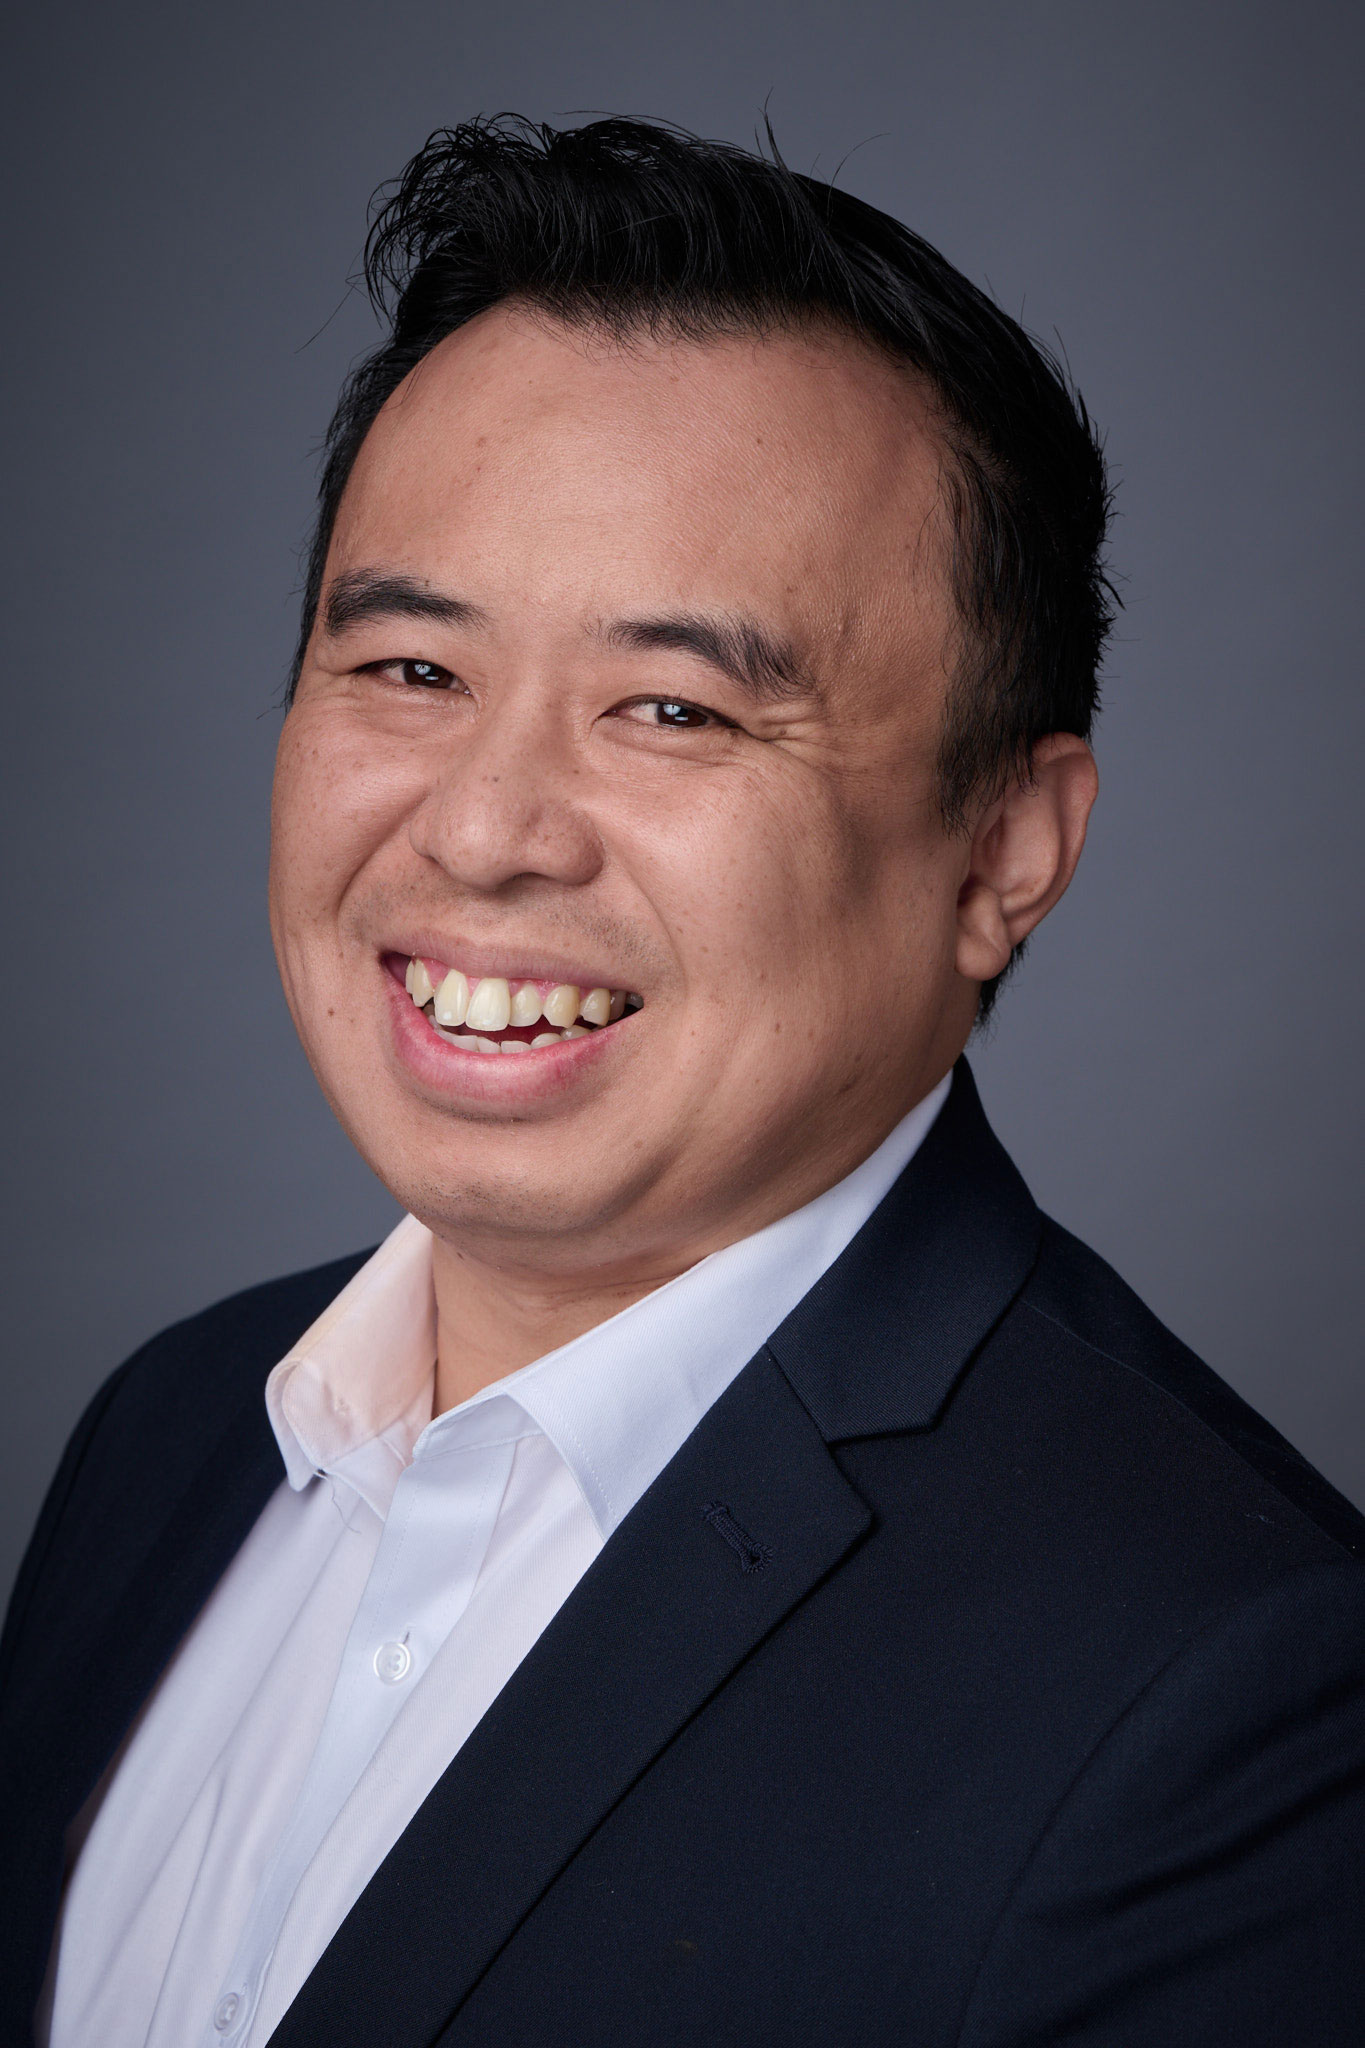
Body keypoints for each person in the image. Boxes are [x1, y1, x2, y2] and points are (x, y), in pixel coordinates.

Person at [2, 113, 1361, 2048]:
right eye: (406, 671)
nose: (480, 830)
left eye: (675, 708)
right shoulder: (171, 1440)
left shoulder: (1236, 1702)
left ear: (1004, 850)